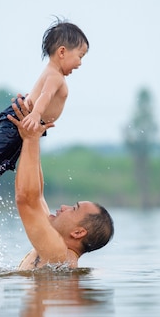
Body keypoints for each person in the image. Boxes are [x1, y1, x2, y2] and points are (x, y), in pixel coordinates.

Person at [0, 18, 90, 201]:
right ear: (62, 52)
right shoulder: (55, 77)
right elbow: (45, 95)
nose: (80, 63)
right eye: (80, 56)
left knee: (5, 162)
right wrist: (36, 114)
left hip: (27, 122)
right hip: (21, 119)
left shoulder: (54, 73)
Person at [7, 96, 114, 270]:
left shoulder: (58, 254)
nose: (64, 206)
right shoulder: (54, 248)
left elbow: (26, 200)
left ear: (78, 233)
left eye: (74, 208)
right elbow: (36, 197)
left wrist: (30, 139)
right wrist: (33, 137)